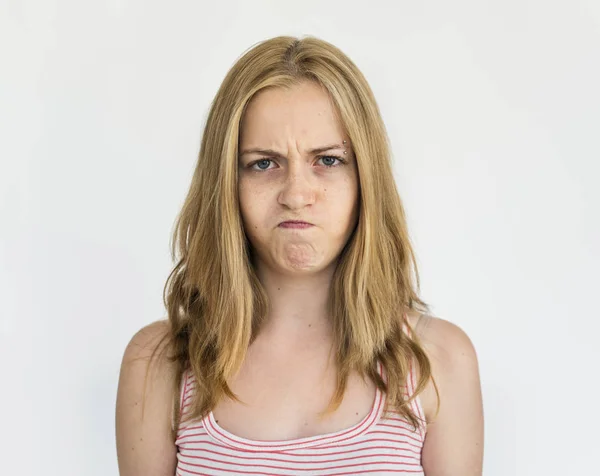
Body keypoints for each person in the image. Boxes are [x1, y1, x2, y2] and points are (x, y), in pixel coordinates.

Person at [115, 35, 484, 475]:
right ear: (225, 185)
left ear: (365, 178)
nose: (296, 194)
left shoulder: (437, 361)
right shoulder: (159, 365)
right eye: (263, 163)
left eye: (327, 160)